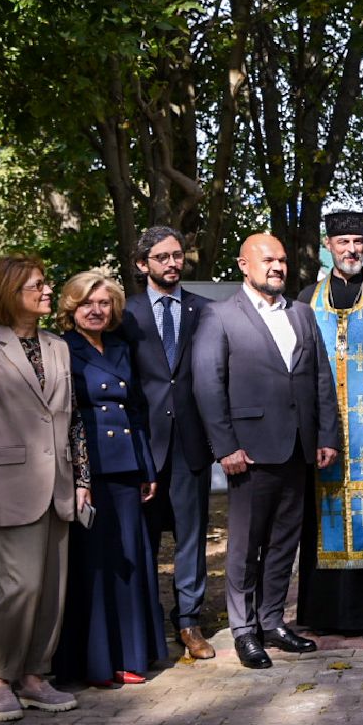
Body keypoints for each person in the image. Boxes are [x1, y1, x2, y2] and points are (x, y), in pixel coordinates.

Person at [194, 234, 341, 669]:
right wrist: (226, 447)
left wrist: (326, 436)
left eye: (282, 259)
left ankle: (272, 620)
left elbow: (320, 377)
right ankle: (244, 630)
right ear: (244, 265)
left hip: (298, 447)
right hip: (249, 452)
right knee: (245, 546)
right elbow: (208, 384)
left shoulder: (301, 313)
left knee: (283, 541)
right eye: (267, 259)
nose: (277, 266)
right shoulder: (219, 315)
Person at [0, 256, 90, 721]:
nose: (48, 290)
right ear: (10, 293)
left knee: (52, 589)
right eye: (37, 285)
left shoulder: (58, 346)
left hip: (60, 485)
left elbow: (73, 420)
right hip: (8, 484)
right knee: (20, 587)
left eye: (46, 282)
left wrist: (83, 479)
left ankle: (35, 677)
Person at [51, 271, 167, 688]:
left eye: (103, 303)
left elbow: (134, 409)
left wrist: (146, 467)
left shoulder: (120, 347)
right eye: (87, 303)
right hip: (87, 469)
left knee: (129, 558)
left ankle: (131, 653)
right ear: (71, 308)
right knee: (94, 564)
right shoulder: (61, 349)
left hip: (126, 468)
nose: (96, 310)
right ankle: (96, 662)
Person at [295, 211, 363, 636]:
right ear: (329, 245)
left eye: (357, 241)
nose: (351, 249)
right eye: (343, 242)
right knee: (323, 511)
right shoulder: (308, 299)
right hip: (324, 426)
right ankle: (326, 614)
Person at [121, 226, 217, 661]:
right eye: (162, 257)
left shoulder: (206, 311)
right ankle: (145, 621)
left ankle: (189, 621)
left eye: (177, 255)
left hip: (191, 441)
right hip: (141, 441)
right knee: (141, 537)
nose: (173, 263)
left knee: (191, 537)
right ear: (142, 264)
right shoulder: (125, 314)